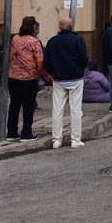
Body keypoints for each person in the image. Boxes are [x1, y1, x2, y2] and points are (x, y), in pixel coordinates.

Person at [43, 16, 89, 149]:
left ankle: (56, 140)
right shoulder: (77, 40)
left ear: (59, 27)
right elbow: (84, 59)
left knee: (57, 109)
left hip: (58, 79)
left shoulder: (52, 41)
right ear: (71, 26)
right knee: (76, 109)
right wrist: (80, 69)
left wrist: (53, 72)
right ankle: (76, 139)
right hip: (75, 78)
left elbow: (47, 62)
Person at [7, 16, 44, 141]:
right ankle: (26, 132)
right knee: (28, 105)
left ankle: (11, 132)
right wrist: (40, 73)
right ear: (34, 27)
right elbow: (39, 60)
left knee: (14, 104)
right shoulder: (34, 42)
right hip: (29, 77)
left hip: (13, 76)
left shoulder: (15, 38)